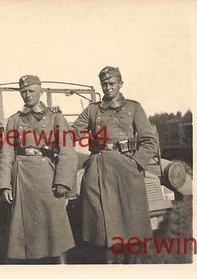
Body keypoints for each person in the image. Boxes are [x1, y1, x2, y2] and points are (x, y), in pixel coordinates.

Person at [71, 66, 158, 263]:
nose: (108, 87)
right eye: (104, 84)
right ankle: (109, 263)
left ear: (120, 84)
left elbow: (150, 141)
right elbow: (74, 131)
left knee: (130, 224)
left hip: (126, 171)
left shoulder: (133, 108)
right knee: (101, 224)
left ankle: (132, 264)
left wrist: (135, 163)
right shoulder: (93, 110)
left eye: (112, 83)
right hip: (98, 169)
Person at [0, 75, 77, 263]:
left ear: (40, 90)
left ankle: (61, 267)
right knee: (23, 232)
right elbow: (7, 153)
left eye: (31, 90)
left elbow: (67, 151)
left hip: (47, 177)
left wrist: (63, 181)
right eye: (23, 91)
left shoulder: (55, 117)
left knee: (55, 227)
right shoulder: (14, 120)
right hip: (21, 177)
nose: (27, 95)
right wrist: (4, 185)